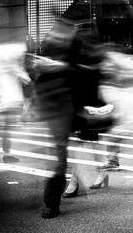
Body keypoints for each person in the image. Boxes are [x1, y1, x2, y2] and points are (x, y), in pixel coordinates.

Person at [34, 18, 107, 218]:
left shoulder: (80, 46)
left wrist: (60, 67)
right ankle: (53, 201)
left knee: (69, 150)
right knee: (59, 154)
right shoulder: (54, 46)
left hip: (75, 106)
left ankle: (70, 187)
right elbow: (42, 75)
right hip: (60, 107)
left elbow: (90, 74)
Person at [0, 43, 31, 163]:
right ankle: (6, 153)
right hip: (9, 100)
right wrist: (25, 77)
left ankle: (6, 153)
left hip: (3, 99)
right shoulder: (11, 66)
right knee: (7, 127)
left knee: (6, 127)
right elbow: (24, 78)